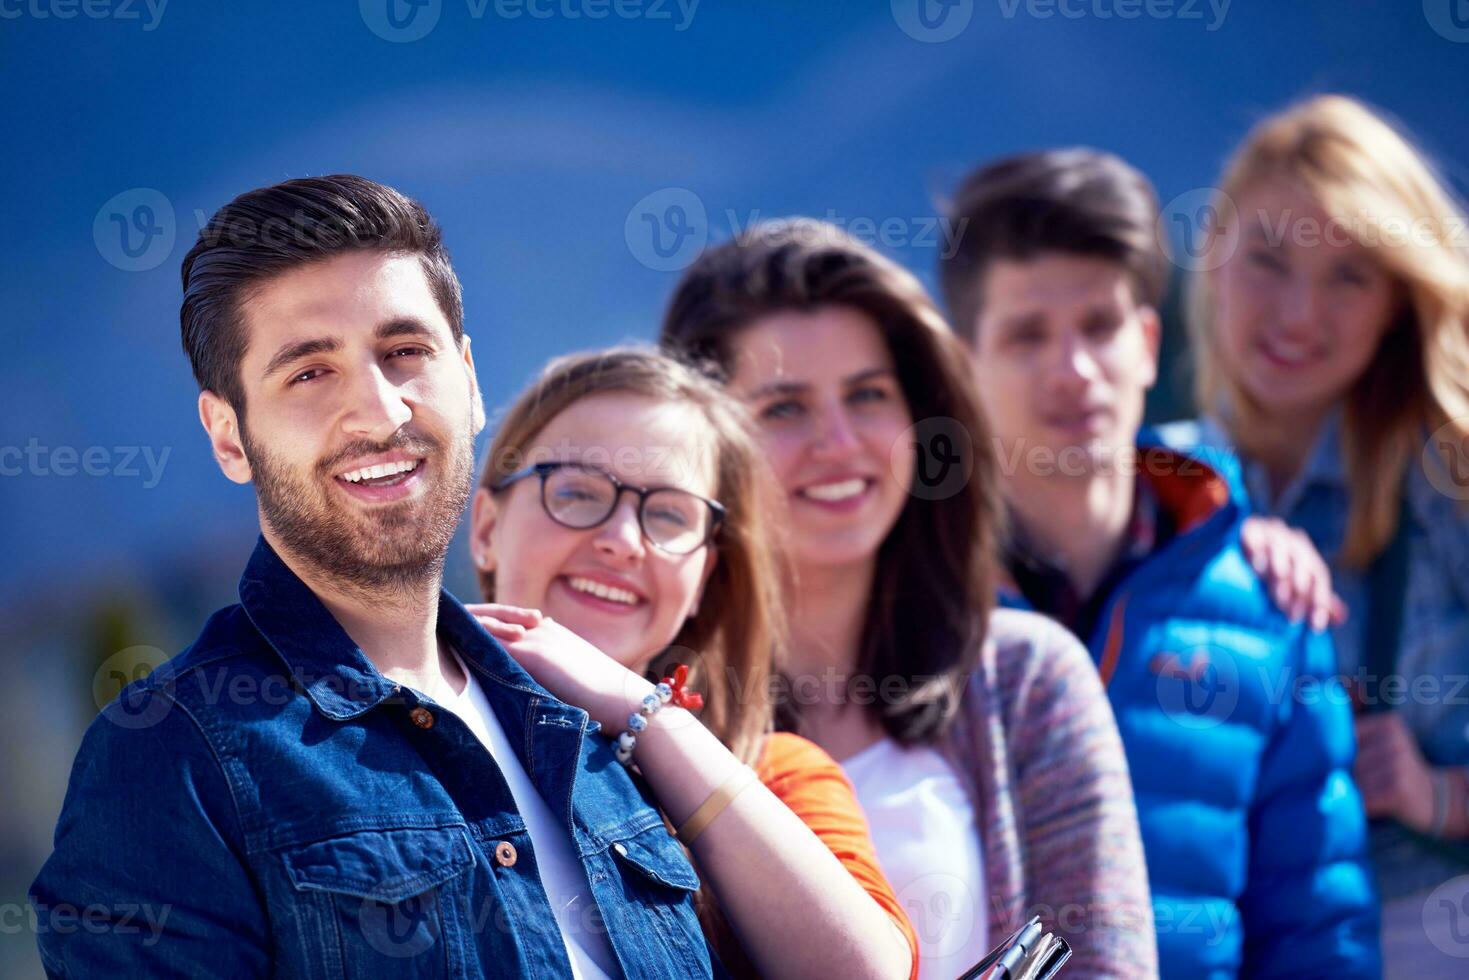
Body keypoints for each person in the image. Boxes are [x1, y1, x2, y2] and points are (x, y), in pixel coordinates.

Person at [29, 175, 725, 978]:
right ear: (228, 436)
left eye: (404, 354)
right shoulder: (170, 760)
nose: (380, 411)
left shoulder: (581, 734)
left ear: (467, 380)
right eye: (309, 373)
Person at [660, 218, 1158, 979]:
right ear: (699, 443)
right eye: (784, 408)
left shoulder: (1027, 680)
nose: (840, 443)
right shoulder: (637, 702)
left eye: (867, 396)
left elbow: (1105, 967)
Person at [938, 147, 1381, 978]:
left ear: (1146, 343)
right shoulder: (900, 604)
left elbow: (1318, 932)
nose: (1073, 370)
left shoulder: (1270, 601)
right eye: (1027, 334)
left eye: (1099, 327)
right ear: (964, 366)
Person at [463, 346, 918, 979]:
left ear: (704, 574)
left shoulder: (775, 773)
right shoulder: (375, 727)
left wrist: (644, 713)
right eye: (575, 491)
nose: (622, 541)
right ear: (485, 527)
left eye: (671, 514)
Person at [1162, 94, 1469, 976]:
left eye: (1348, 275)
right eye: (1267, 260)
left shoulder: (1446, 481)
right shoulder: (1154, 485)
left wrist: (1435, 795)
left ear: (1397, 303)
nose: (1299, 313)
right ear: (1211, 261)